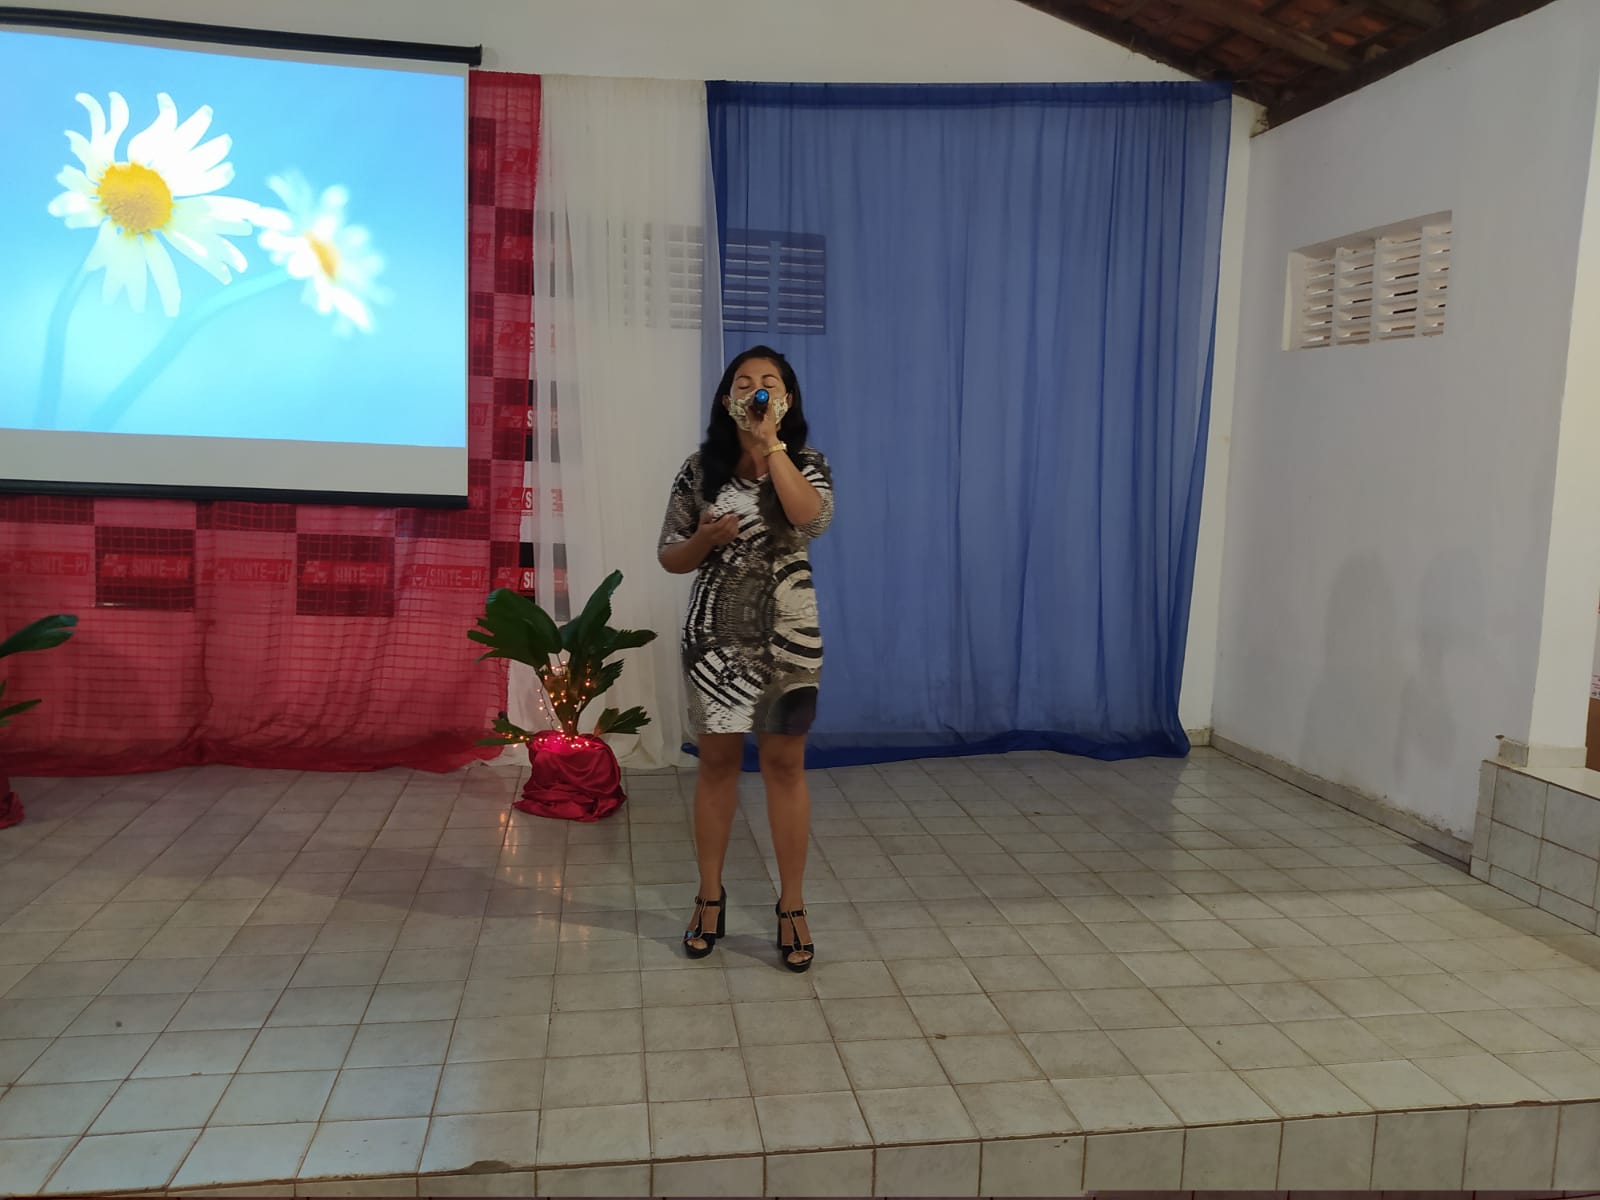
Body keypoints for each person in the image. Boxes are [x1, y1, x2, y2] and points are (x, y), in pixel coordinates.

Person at [657, 345, 834, 971]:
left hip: (790, 637)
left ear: (786, 398)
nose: (756, 389)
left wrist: (771, 447)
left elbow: (811, 520)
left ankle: (792, 904)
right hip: (715, 641)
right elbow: (669, 555)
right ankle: (709, 896)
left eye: (769, 382)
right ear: (725, 397)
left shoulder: (806, 462)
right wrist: (703, 539)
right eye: (743, 381)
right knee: (717, 766)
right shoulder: (698, 471)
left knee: (785, 766)